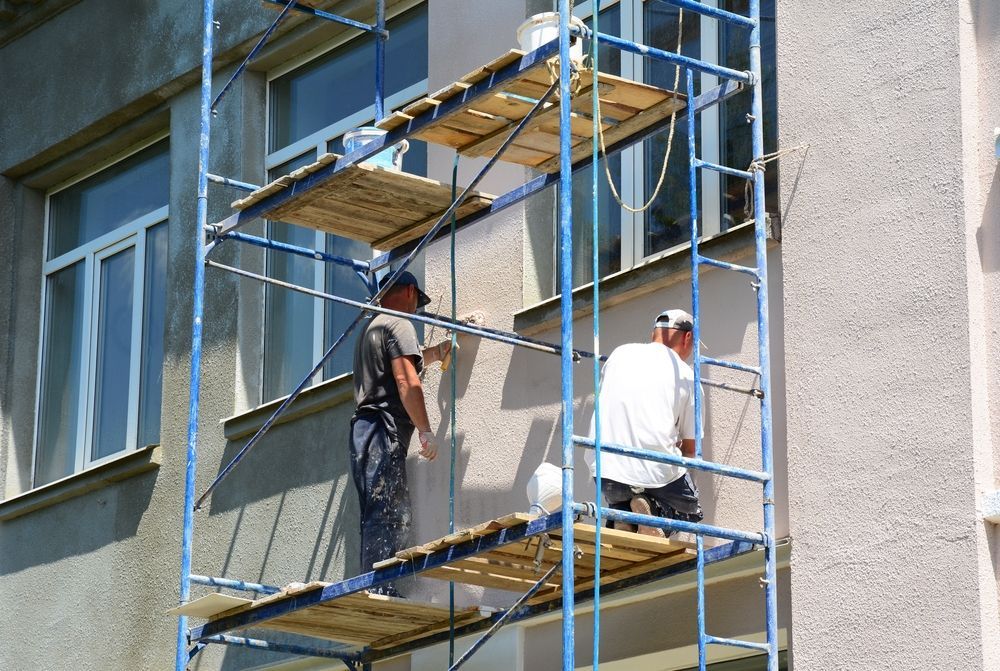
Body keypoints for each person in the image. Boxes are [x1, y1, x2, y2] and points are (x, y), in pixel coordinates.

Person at [349, 271, 451, 596]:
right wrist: (425, 431)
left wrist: (438, 352)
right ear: (409, 292)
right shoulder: (399, 323)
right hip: (382, 430)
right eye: (417, 302)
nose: (415, 310)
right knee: (388, 512)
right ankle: (381, 589)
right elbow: (406, 380)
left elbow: (409, 362)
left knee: (378, 510)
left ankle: (377, 584)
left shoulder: (373, 327)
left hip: (365, 431)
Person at [586, 309, 704, 538]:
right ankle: (652, 514)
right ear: (688, 337)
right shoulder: (686, 376)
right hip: (655, 473)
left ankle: (624, 518)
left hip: (605, 471)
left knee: (626, 494)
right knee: (690, 513)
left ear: (653, 334)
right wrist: (675, 445)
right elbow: (692, 450)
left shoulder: (619, 355)